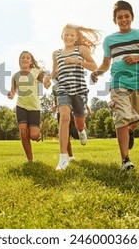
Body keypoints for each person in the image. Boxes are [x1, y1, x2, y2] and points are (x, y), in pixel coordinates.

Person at [91, 0, 139, 171]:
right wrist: (96, 73)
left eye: (126, 16)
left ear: (132, 17)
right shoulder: (109, 40)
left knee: (137, 119)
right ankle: (125, 160)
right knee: (121, 117)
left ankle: (131, 130)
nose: (123, 19)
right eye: (120, 17)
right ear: (115, 20)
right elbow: (105, 64)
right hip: (118, 83)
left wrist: (137, 57)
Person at [44, 23, 101, 170]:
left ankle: (81, 131)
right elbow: (55, 72)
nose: (69, 37)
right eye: (66, 34)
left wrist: (78, 61)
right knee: (64, 117)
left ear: (76, 37)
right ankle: (63, 158)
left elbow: (94, 66)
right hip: (63, 89)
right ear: (62, 36)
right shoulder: (56, 54)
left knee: (79, 123)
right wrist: (48, 77)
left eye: (72, 35)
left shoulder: (80, 49)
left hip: (80, 90)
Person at [7, 51, 45, 162]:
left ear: (31, 61)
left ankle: (37, 132)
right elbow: (13, 92)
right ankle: (30, 159)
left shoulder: (36, 72)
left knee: (33, 135)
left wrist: (47, 82)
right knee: (23, 132)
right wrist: (11, 94)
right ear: (19, 60)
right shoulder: (15, 76)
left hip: (34, 107)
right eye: (23, 57)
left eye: (27, 58)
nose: (25, 59)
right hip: (21, 106)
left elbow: (46, 81)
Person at [51, 83, 92, 162]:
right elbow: (54, 99)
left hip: (73, 112)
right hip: (61, 112)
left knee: (76, 134)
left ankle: (81, 130)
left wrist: (88, 108)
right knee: (65, 135)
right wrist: (54, 105)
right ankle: (71, 156)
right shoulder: (55, 86)